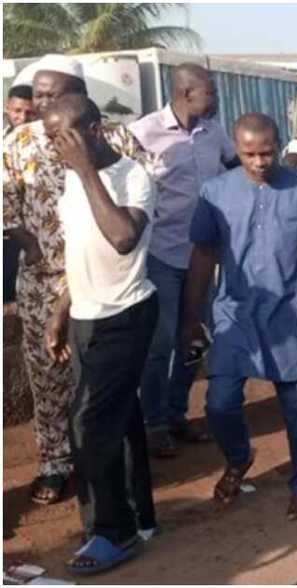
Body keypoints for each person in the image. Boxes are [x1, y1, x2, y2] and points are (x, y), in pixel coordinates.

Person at [181, 113, 297, 521]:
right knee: (219, 404)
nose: (259, 162)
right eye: (249, 154)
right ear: (236, 150)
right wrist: (190, 315)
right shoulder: (215, 192)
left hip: (288, 316)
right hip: (233, 317)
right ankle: (239, 459)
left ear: (279, 145)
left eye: (267, 153)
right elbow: (203, 254)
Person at [3, 54, 153, 506]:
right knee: (47, 378)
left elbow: (135, 211)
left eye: (56, 93)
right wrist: (27, 241)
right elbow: (5, 201)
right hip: (45, 280)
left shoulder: (117, 140)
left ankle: (118, 474)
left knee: (107, 384)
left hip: (107, 283)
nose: (45, 101)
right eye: (40, 95)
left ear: (82, 97)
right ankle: (55, 463)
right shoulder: (18, 142)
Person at [41, 95, 158, 575]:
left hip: (125, 314)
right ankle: (141, 517)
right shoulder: (71, 179)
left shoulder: (133, 175)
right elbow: (82, 250)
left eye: (62, 135)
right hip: (87, 315)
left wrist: (88, 170)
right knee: (120, 418)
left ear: (94, 128)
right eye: (50, 138)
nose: (55, 147)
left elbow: (122, 238)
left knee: (88, 423)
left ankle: (113, 532)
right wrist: (61, 311)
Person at [129, 63, 238, 458]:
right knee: (160, 344)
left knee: (195, 340)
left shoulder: (215, 133)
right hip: (161, 252)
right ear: (187, 93)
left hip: (202, 255)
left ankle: (177, 413)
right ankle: (154, 423)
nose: (215, 98)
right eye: (210, 92)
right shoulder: (143, 133)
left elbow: (235, 168)